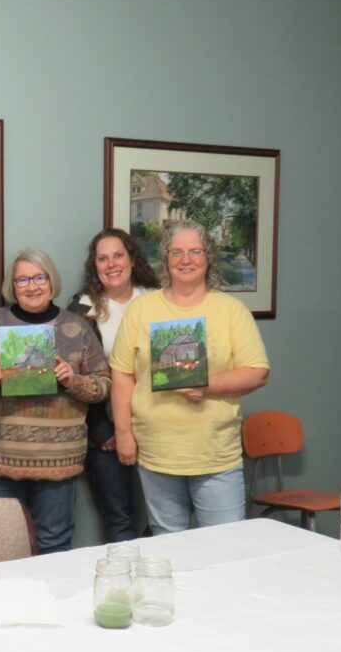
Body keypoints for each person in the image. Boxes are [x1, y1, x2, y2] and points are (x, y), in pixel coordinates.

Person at [109, 222, 269, 535]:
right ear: (166, 258)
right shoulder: (141, 310)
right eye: (177, 252)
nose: (186, 260)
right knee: (167, 544)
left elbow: (257, 372)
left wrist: (208, 387)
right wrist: (124, 433)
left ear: (208, 257)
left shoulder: (231, 310)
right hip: (157, 452)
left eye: (195, 251)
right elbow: (123, 374)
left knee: (225, 545)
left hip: (215, 453)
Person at [0, 248, 110, 553]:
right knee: (2, 548)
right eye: (22, 280)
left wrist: (73, 381)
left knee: (53, 543)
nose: (31, 286)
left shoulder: (78, 327)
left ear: (51, 281)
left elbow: (104, 385)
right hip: (4, 459)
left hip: (59, 459)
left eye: (39, 278)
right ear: (12, 285)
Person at [68, 229, 159, 542]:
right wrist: (103, 430)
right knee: (119, 521)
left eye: (118, 255)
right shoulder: (81, 310)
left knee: (167, 519)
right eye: (102, 259)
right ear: (94, 266)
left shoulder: (158, 299)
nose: (111, 264)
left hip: (158, 426)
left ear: (132, 259)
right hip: (106, 433)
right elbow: (75, 377)